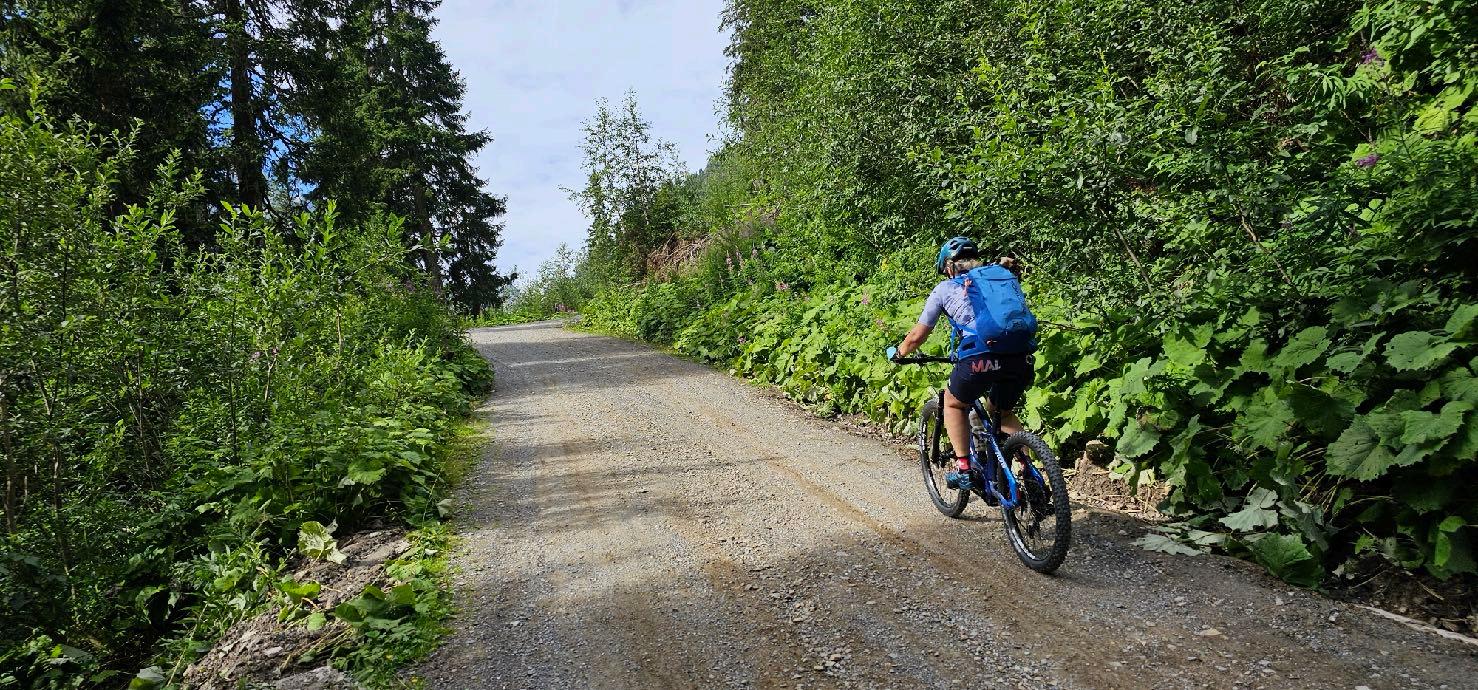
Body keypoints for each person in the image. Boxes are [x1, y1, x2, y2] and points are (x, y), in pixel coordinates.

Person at [886, 236, 1035, 492]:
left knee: (953, 402)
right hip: (1021, 356)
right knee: (1003, 412)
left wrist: (899, 354)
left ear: (948, 266)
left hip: (980, 358)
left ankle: (964, 468)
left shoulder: (944, 289)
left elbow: (917, 336)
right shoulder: (996, 279)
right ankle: (1029, 471)